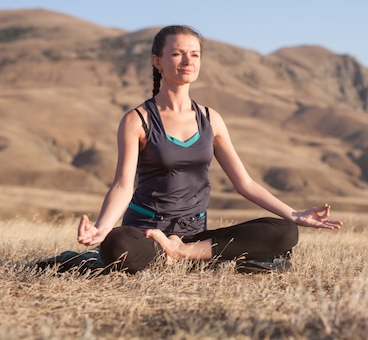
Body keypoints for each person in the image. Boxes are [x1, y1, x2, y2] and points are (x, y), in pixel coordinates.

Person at [77, 25, 343, 274]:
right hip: (147, 233)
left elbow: (245, 183)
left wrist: (294, 214)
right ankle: (187, 257)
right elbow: (123, 186)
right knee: (117, 245)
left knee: (285, 232)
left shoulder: (210, 119)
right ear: (157, 61)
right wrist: (102, 228)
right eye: (177, 54)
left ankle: (181, 253)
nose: (188, 61)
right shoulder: (138, 119)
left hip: (195, 235)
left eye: (194, 54)